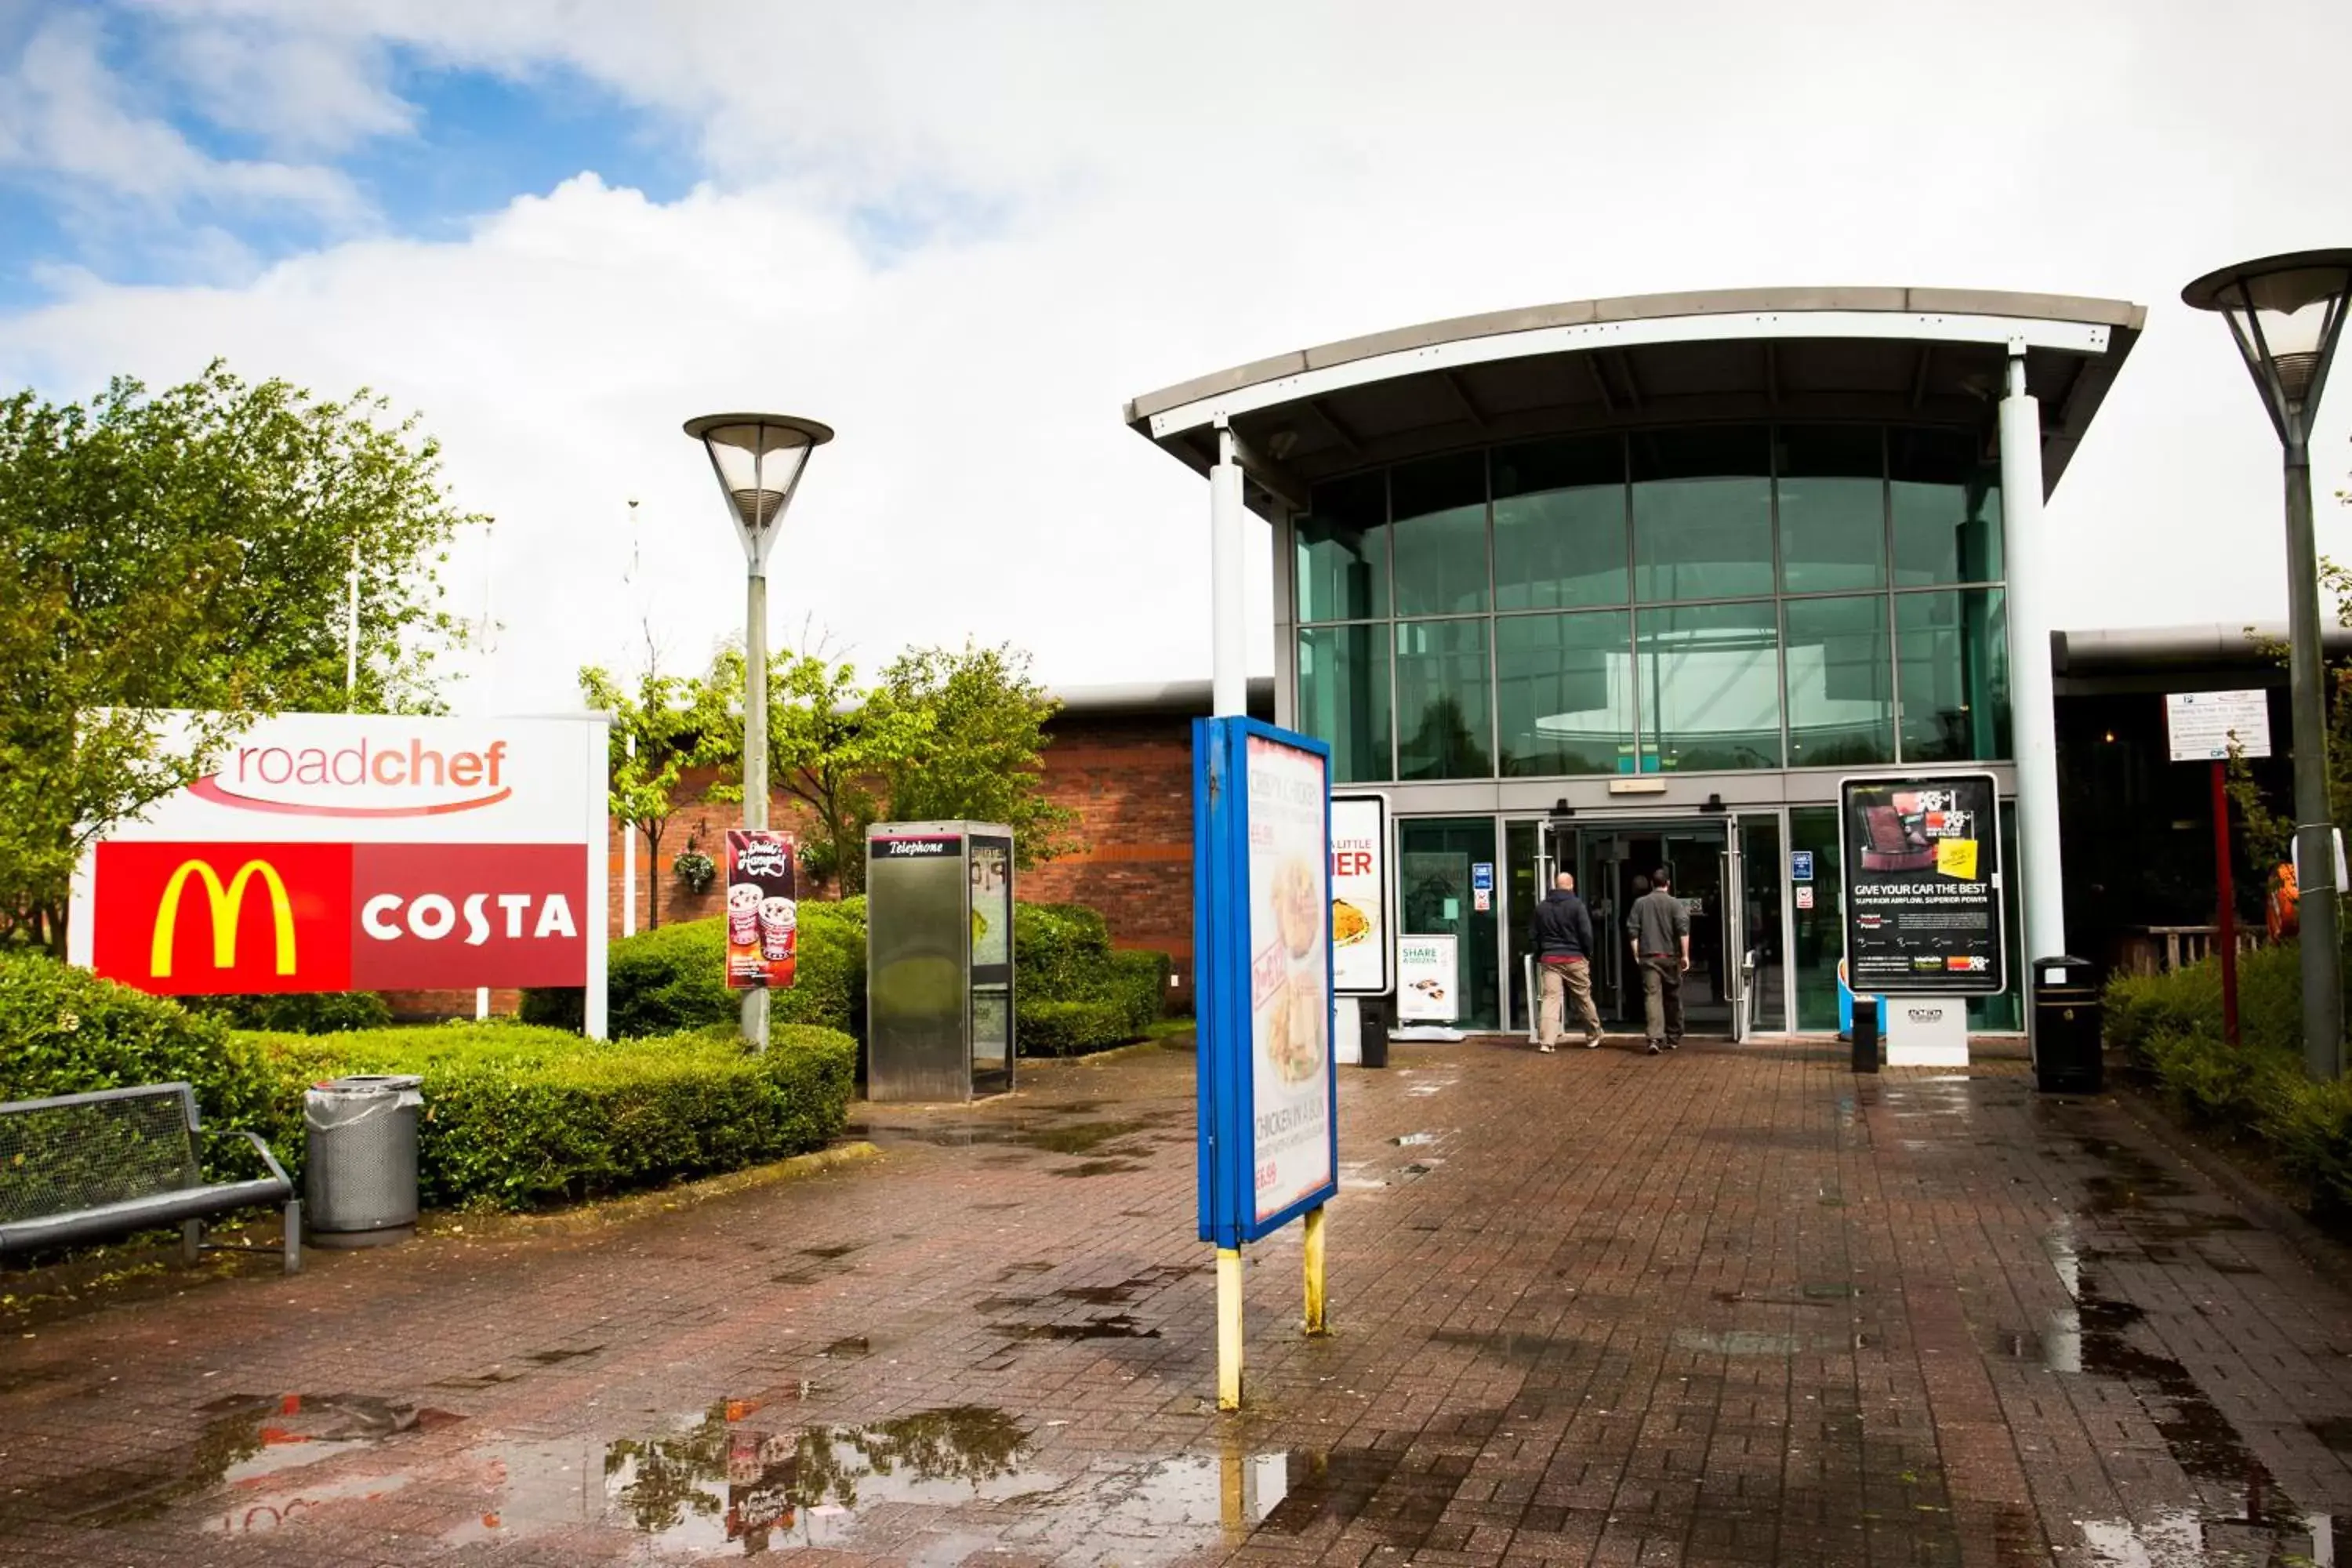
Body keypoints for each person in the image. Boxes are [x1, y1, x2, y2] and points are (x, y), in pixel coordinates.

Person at [1530, 871, 1604, 1051]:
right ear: (1571, 885)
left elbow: (1534, 935)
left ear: (1555, 885)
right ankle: (1593, 1035)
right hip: (1574, 957)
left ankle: (1547, 1042)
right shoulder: (1577, 906)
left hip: (1550, 958)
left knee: (1550, 999)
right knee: (1583, 997)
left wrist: (1540, 954)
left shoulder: (1541, 908)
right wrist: (1587, 953)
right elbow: (1586, 934)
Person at [1627, 866, 1690, 1054]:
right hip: (1669, 956)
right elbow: (1683, 931)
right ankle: (1673, 1036)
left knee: (1652, 996)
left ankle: (1654, 1037)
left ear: (1652, 884)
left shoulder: (1640, 903)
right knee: (1673, 996)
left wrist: (1637, 953)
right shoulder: (1675, 904)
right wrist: (1685, 955)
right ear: (1668, 884)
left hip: (1649, 957)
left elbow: (1632, 931)